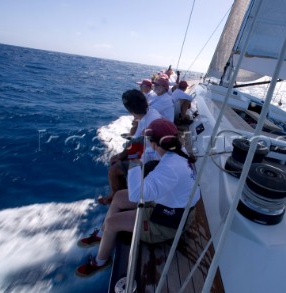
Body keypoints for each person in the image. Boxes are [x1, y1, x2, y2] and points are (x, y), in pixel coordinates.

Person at [75, 119, 200, 277]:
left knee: (112, 222)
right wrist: (135, 149)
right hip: (173, 204)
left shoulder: (170, 168)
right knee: (120, 196)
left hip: (171, 221)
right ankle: (102, 234)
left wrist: (134, 161)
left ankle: (101, 262)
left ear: (156, 142)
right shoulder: (176, 149)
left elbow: (136, 194)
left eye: (149, 140)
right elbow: (150, 151)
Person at [98, 89, 162, 205]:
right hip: (147, 153)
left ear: (131, 111)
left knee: (114, 169)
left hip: (153, 161)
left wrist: (122, 156)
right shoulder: (149, 114)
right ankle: (123, 188)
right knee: (116, 160)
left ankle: (117, 198)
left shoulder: (151, 120)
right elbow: (136, 140)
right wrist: (123, 155)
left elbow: (137, 143)